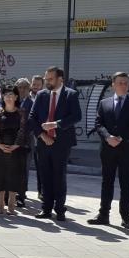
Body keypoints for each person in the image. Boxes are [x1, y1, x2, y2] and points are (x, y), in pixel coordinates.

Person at [89, 72, 129, 229]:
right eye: (120, 82)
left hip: (127, 149)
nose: (123, 85)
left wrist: (121, 138)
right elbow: (98, 124)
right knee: (106, 182)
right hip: (108, 149)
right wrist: (108, 137)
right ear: (113, 84)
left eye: (126, 83)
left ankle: (126, 217)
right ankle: (103, 215)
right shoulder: (104, 103)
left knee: (126, 183)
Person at [29, 66, 82, 221]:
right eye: (46, 79)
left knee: (59, 176)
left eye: (50, 79)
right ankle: (46, 209)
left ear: (60, 79)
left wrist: (56, 124)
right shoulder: (42, 95)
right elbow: (32, 117)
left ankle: (59, 209)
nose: (47, 81)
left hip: (62, 143)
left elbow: (76, 116)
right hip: (43, 142)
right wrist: (42, 135)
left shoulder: (70, 94)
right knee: (45, 175)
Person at [0, 85, 28, 215]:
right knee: (0, 175)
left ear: (16, 97)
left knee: (14, 176)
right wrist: (0, 145)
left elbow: (23, 130)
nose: (8, 97)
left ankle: (11, 204)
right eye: (6, 95)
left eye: (11, 95)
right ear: (3, 97)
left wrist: (15, 145)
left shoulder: (22, 112)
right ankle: (0, 203)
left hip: (16, 150)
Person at [15, 77, 34, 208]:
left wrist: (23, 135)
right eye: (19, 87)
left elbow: (33, 122)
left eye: (25, 87)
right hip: (11, 140)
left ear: (29, 89)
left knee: (23, 169)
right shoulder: (12, 101)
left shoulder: (32, 103)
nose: (22, 90)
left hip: (26, 140)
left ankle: (21, 196)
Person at [29, 74, 45, 199]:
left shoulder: (45, 98)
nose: (35, 87)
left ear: (42, 86)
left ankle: (41, 191)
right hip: (27, 137)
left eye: (38, 85)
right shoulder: (25, 97)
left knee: (41, 167)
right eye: (34, 84)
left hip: (40, 137)